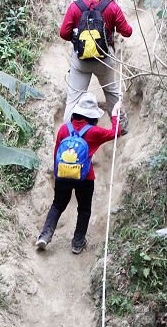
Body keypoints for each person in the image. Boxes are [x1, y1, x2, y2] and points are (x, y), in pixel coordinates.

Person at [36, 92, 122, 254]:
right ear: (92, 115)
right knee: (84, 209)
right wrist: (116, 113)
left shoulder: (64, 129)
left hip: (62, 175)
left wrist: (57, 174)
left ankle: (44, 236)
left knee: (57, 205)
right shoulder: (95, 132)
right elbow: (116, 133)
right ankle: (77, 243)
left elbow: (56, 153)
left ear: (76, 112)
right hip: (85, 177)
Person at [60, 0, 132, 130]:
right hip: (104, 59)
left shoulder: (75, 7)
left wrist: (79, 42)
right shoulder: (111, 6)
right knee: (111, 92)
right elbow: (127, 32)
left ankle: (68, 132)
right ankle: (120, 127)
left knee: (73, 99)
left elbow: (63, 33)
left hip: (81, 61)